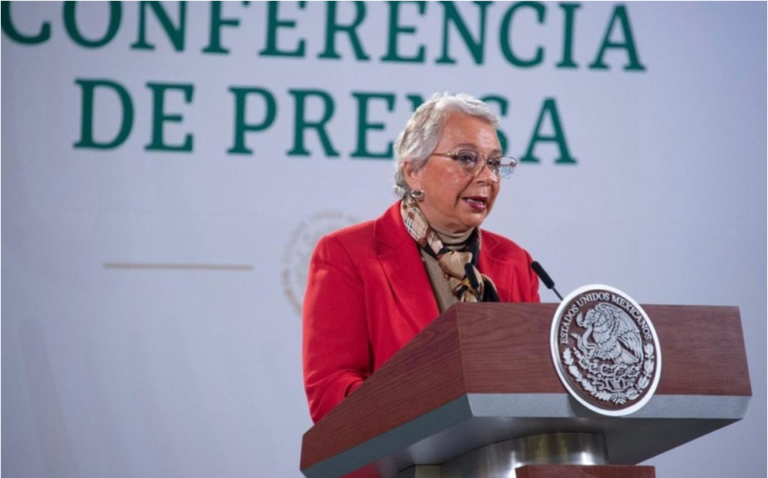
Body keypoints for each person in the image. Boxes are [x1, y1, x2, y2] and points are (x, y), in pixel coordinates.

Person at [302, 92, 541, 423]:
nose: (488, 177)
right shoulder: (346, 254)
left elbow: (536, 384)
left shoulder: (515, 263)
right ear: (413, 170)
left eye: (495, 162)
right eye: (467, 158)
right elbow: (332, 395)